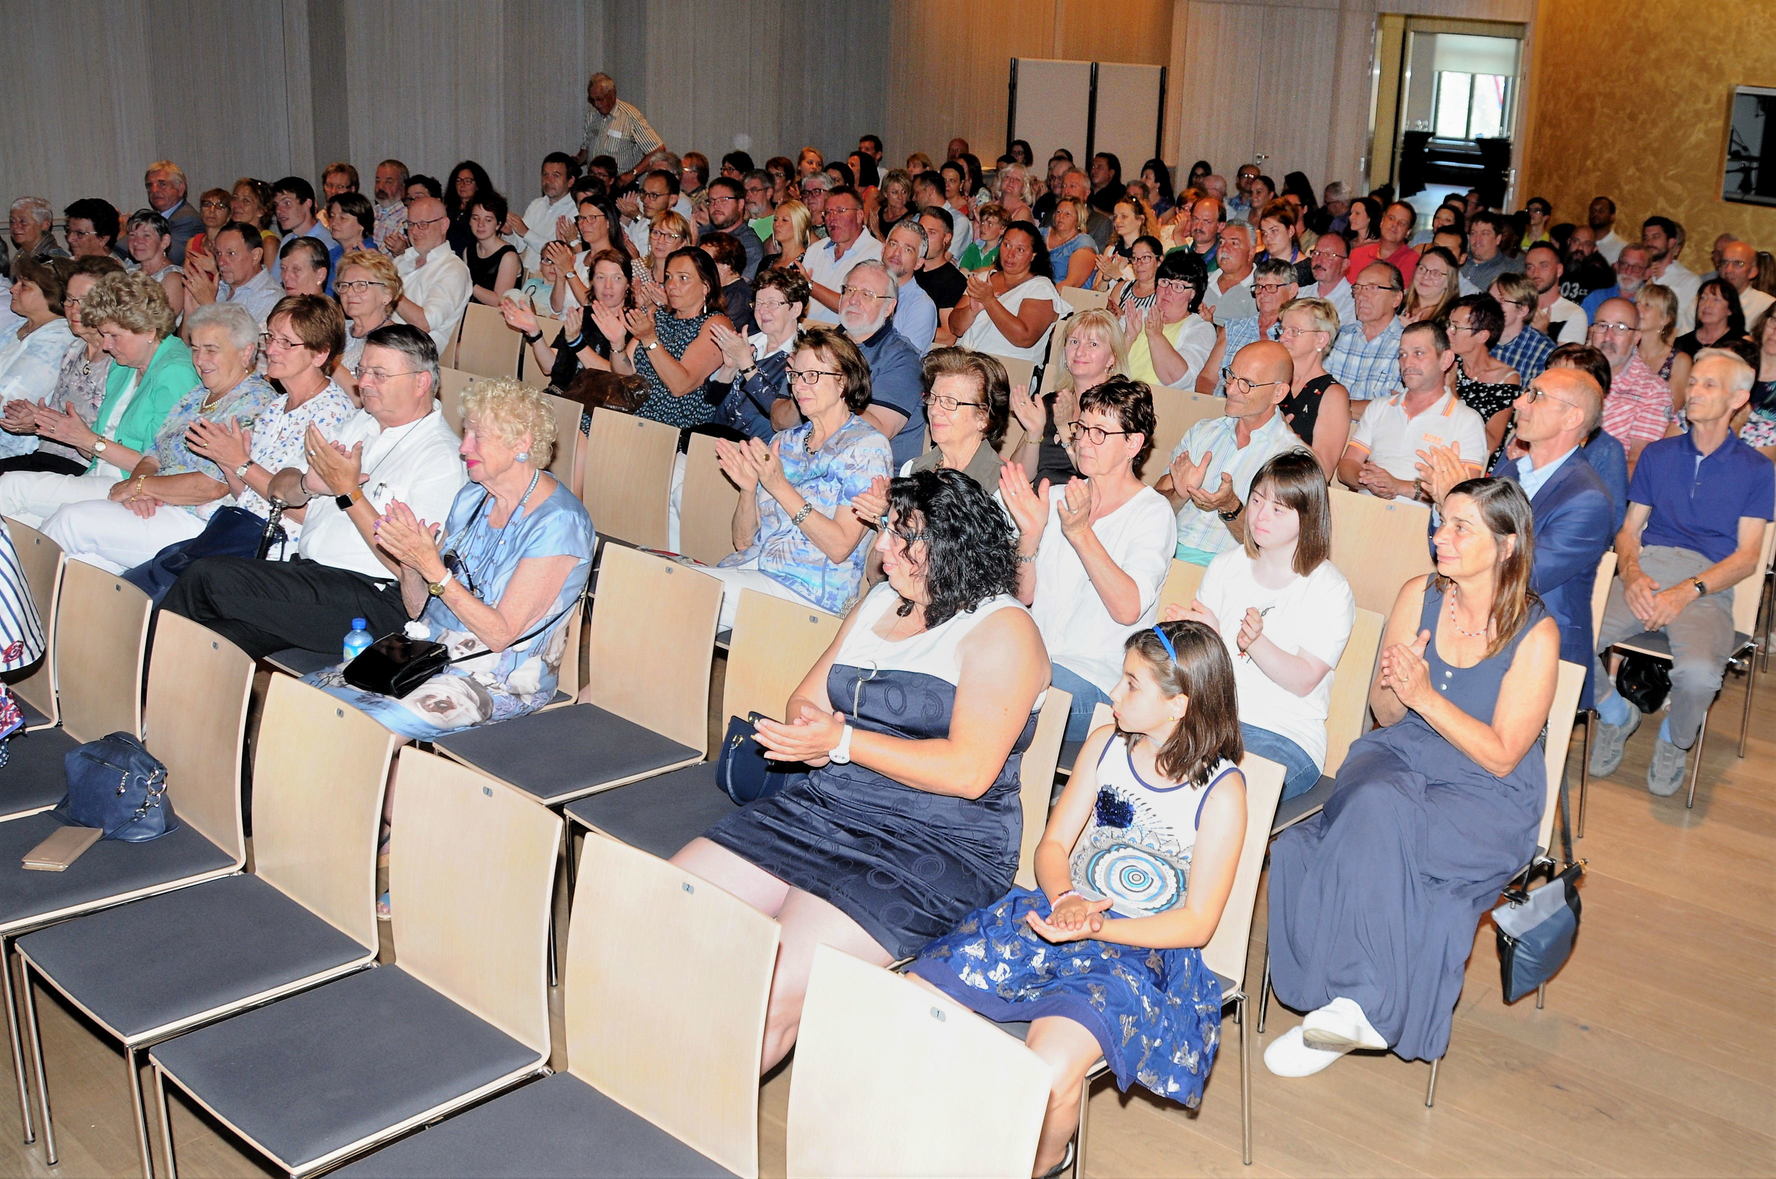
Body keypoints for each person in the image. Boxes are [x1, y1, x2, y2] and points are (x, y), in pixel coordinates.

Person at [674, 467, 1046, 1072]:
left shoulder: (1004, 630)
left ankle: (699, 1132)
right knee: (665, 910)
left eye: (901, 539)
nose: (879, 549)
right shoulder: (882, 600)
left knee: (767, 991)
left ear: (948, 547)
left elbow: (969, 771)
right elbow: (808, 697)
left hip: (933, 843)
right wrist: (809, 735)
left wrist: (842, 741)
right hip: (827, 805)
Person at [910, 618, 1247, 1178]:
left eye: (1132, 684)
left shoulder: (1221, 790)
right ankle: (939, 1140)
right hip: (1063, 913)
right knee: (916, 997)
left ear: (1179, 705)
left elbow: (1195, 924)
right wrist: (1065, 897)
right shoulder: (1105, 747)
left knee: (1046, 1071)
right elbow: (1055, 843)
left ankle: (1041, 1164)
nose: (1114, 694)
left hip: (1141, 952)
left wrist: (1095, 928)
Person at [1264, 477, 1558, 1076]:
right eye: (1440, 522)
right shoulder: (1418, 595)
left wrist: (1426, 695)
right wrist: (1403, 686)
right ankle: (1357, 1004)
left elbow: (1502, 755)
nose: (1440, 537)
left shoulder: (1536, 633)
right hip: (1401, 751)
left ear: (1506, 546)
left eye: (1460, 527)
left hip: (1485, 791)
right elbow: (1385, 712)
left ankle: (1355, 1003)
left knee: (1352, 829)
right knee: (1372, 798)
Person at [307, 377, 592, 740]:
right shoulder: (473, 497)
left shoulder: (559, 523)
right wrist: (410, 560)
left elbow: (500, 634)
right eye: (465, 433)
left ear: (521, 444)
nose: (464, 447)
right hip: (429, 654)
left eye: (478, 437)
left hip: (496, 677)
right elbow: (417, 609)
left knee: (363, 732)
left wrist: (432, 568)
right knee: (310, 696)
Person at [160, 324, 465, 658]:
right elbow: (281, 487)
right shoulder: (361, 422)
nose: (363, 383)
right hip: (310, 578)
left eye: (379, 374)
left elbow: (410, 569)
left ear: (420, 382)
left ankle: (137, 691)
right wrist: (306, 484)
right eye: (363, 371)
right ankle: (160, 698)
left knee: (206, 575)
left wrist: (347, 491)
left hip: (372, 598)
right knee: (213, 640)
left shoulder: (441, 458)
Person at [1588, 350, 1775, 795]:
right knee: (1564, 638)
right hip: (1649, 567)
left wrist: (1685, 592)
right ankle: (1616, 713)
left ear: (1738, 399)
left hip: (1710, 581)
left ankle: (1676, 738)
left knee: (1700, 675)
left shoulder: (1757, 469)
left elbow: (1748, 556)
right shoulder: (1658, 454)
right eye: (1693, 383)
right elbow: (1629, 530)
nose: (1693, 391)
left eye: (1709, 385)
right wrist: (1632, 574)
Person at [1420, 366, 1614, 709]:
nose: (1520, 402)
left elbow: (1524, 575)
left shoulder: (1587, 499)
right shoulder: (1512, 470)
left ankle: (1613, 708)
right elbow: (1445, 551)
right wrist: (1444, 508)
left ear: (1572, 417)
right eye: (1527, 391)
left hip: (1532, 638)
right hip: (1478, 620)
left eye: (1536, 396)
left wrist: (1462, 510)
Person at [40, 300, 282, 573]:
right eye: (195, 349)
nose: (200, 361)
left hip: (202, 523)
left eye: (211, 350)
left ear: (245, 352)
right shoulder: (199, 395)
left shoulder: (254, 402)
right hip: (161, 506)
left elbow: (212, 486)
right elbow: (153, 455)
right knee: (82, 564)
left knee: (71, 521)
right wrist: (139, 488)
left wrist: (142, 488)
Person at [1001, 377, 1176, 743]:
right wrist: (1029, 537)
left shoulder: (1152, 512)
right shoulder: (1059, 494)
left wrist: (1080, 532)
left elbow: (1128, 609)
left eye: (1100, 432)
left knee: (1011, 691)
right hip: (1035, 662)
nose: (1083, 440)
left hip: (1097, 683)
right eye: (1082, 428)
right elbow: (1021, 597)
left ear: (1133, 443)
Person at [1169, 450, 1354, 798]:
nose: (1259, 516)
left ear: (1307, 517)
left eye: (1277, 509)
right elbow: (1205, 669)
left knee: (1218, 791)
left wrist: (1254, 642)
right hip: (1216, 720)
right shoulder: (1226, 566)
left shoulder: (1329, 587)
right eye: (1256, 501)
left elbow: (1302, 681)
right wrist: (1194, 636)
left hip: (1283, 734)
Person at [707, 326, 891, 627]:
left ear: (843, 382)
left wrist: (778, 485)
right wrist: (748, 489)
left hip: (809, 593)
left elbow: (839, 547)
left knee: (687, 593)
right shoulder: (788, 441)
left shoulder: (866, 448)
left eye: (812, 376)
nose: (799, 386)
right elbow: (742, 542)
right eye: (795, 375)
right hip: (755, 571)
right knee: (662, 581)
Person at [0, 271, 196, 527]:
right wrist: (61, 429)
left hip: (134, 489)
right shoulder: (123, 366)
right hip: (99, 476)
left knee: (11, 487)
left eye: (114, 336)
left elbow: (163, 464)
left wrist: (89, 440)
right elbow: (95, 449)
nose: (106, 345)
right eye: (103, 335)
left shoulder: (176, 372)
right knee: (17, 523)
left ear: (148, 329)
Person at [1160, 341, 1305, 565]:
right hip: (1163, 552)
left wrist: (1230, 507)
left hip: (1228, 572)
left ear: (1278, 392)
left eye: (1246, 383)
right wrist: (1180, 494)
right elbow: (1152, 508)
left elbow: (1274, 551)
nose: (1231, 389)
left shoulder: (1291, 458)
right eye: (1231, 376)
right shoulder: (1203, 432)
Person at [0, 256, 124, 477]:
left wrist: (45, 424)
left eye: (84, 301)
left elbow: (111, 437)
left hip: (85, 468)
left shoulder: (120, 359)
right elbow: (55, 420)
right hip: (47, 456)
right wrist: (35, 421)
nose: (74, 310)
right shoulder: (74, 349)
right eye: (69, 300)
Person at [1337, 321, 1486, 499]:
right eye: (1402, 354)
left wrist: (1399, 486)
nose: (1407, 362)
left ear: (1445, 360)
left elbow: (1465, 492)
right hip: (1367, 509)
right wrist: (1367, 480)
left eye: (1419, 353)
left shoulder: (1466, 420)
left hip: (1422, 520)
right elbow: (1347, 465)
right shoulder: (1380, 407)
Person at [602, 246, 730, 429]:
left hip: (670, 425)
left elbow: (680, 385)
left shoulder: (715, 324)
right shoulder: (659, 316)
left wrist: (649, 339)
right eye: (668, 277)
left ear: (706, 286)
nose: (671, 285)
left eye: (683, 278)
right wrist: (616, 344)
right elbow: (624, 374)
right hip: (633, 412)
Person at [1011, 308, 1128, 489]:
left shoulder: (1116, 409)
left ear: (1112, 358)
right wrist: (1033, 433)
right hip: (1039, 501)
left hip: (1083, 507)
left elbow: (1098, 479)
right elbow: (1020, 475)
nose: (1080, 352)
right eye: (1074, 342)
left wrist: (1064, 430)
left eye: (1093, 344)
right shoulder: (1050, 402)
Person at [707, 268, 807, 442]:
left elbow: (783, 418)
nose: (762, 310)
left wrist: (746, 364)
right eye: (758, 303)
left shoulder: (804, 356)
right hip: (714, 441)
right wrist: (729, 369)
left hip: (762, 453)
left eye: (772, 303)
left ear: (795, 309)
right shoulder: (747, 342)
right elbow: (711, 399)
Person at [951, 222, 1068, 364]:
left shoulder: (1041, 287)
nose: (1010, 254)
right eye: (1006, 245)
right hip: (963, 362)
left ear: (1033, 255)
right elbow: (955, 328)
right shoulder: (984, 278)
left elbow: (1024, 338)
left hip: (1007, 372)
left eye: (1020, 250)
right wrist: (971, 311)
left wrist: (990, 301)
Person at [0, 257, 76, 467]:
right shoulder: (20, 327)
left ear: (50, 295)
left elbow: (10, 402)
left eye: (24, 285)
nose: (12, 290)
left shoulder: (57, 338)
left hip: (13, 450)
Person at [1592, 296, 1677, 465]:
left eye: (1620, 328)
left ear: (1636, 337)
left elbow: (1637, 461)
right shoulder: (1569, 371)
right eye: (1602, 325)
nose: (1608, 337)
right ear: (1591, 331)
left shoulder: (1652, 390)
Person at [1275, 296, 1351, 477]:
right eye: (1283, 329)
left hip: (1296, 489)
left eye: (1294, 331)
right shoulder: (1272, 379)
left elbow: (1324, 470)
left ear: (1321, 339)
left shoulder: (1332, 394)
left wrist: (1286, 434)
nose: (1283, 337)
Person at [392, 196, 472, 356]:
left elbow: (424, 323)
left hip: (418, 354)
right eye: (410, 224)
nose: (414, 231)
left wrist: (388, 289)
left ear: (444, 225)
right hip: (386, 340)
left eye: (422, 224)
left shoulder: (453, 269)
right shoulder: (401, 261)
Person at [1125, 251, 1216, 392]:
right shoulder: (1138, 315)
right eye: (1164, 282)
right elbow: (1106, 366)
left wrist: (1156, 336)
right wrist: (1128, 338)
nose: (1168, 291)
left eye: (1178, 286)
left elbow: (1180, 380)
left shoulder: (1200, 328)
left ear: (1193, 294)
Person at [1444, 293, 1522, 458]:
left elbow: (1490, 444)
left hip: (1472, 461)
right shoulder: (1447, 362)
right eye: (1449, 324)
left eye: (1456, 327)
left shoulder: (1506, 379)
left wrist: (1451, 393)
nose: (1448, 332)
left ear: (1482, 336)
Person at [1326, 261, 1406, 409]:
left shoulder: (1406, 345)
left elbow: (1396, 409)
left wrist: (1336, 406)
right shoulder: (1339, 336)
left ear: (1396, 298)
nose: (1361, 296)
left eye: (1373, 288)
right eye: (1358, 288)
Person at [802, 186, 881, 324]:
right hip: (805, 330)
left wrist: (810, 286)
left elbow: (854, 305)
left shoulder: (876, 253)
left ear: (859, 216)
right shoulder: (815, 250)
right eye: (828, 212)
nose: (832, 218)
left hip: (844, 338)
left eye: (840, 211)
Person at [182, 221, 282, 327]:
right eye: (218, 253)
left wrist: (208, 304)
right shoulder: (219, 287)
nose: (221, 262)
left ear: (256, 256)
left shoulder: (270, 297)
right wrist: (188, 312)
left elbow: (241, 342)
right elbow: (185, 340)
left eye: (231, 254)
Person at [335, 250, 403, 389]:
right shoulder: (334, 329)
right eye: (344, 285)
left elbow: (365, 397)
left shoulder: (395, 342)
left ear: (387, 294)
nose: (349, 292)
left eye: (361, 285)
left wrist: (329, 362)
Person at [502, 153, 578, 275]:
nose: (549, 180)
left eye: (556, 175)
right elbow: (519, 246)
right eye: (545, 175)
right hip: (527, 275)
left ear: (570, 181)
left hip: (553, 276)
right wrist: (509, 233)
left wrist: (526, 232)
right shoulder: (536, 205)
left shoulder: (575, 210)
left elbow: (557, 252)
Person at [881, 220, 938, 355]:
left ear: (918, 263)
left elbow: (901, 360)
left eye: (908, 249)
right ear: (883, 249)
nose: (896, 253)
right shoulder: (864, 287)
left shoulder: (921, 305)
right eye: (893, 244)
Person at [1489, 272, 1557, 382]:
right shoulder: (1477, 338)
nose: (1489, 306)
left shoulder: (1543, 351)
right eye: (1489, 298)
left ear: (1522, 310)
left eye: (1501, 301)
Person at [1633, 282, 1691, 405]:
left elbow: (1673, 410)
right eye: (1637, 304)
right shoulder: (1625, 353)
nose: (1638, 309)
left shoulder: (1679, 361)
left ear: (1665, 319)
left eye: (1647, 305)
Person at [1674, 278, 1754, 364]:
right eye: (1703, 298)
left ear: (1730, 309)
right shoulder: (1681, 343)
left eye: (1716, 300)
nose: (1707, 305)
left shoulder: (1741, 343)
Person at [125, 211, 186, 321]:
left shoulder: (173, 278)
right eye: (132, 235)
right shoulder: (129, 271)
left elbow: (162, 323)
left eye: (146, 235)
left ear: (164, 241)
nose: (137, 242)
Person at [463, 193, 521, 307]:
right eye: (475, 218)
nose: (480, 224)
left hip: (499, 319)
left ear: (498, 224)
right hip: (472, 313)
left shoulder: (508, 256)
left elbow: (499, 301)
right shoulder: (468, 250)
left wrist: (467, 283)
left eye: (488, 220)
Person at [143, 161, 202, 264]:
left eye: (162, 184)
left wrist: (125, 234)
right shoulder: (155, 217)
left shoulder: (187, 219)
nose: (154, 190)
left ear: (180, 189)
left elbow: (171, 257)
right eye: (149, 185)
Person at [1043, 198, 1098, 289]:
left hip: (1066, 297)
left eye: (1067, 214)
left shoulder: (1084, 243)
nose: (1061, 216)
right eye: (1058, 212)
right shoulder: (1040, 234)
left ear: (1078, 219)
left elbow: (1071, 284)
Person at [1400, 245, 1459, 326]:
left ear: (1449, 282)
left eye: (1436, 273)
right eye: (1422, 268)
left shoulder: (1452, 319)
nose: (1425, 276)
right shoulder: (1398, 302)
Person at [185, 188, 233, 261]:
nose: (212, 210)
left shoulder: (232, 245)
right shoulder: (193, 243)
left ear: (229, 215)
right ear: (201, 211)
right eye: (207, 204)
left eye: (219, 206)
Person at [326, 191, 377, 257]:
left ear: (362, 224)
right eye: (332, 216)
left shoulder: (368, 256)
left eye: (342, 218)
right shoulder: (334, 253)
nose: (334, 222)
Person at [957, 204, 1005, 273]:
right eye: (982, 222)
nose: (983, 227)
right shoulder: (973, 248)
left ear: (1002, 229)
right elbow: (963, 271)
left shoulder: (1002, 253)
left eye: (990, 224)